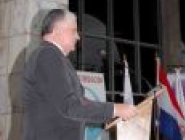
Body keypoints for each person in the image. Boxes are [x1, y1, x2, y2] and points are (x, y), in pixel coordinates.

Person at [21, 9, 138, 140]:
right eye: (73, 30)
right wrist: (114, 109)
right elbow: (70, 105)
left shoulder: (52, 56)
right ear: (56, 31)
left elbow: (76, 103)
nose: (78, 36)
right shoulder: (48, 55)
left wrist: (111, 114)